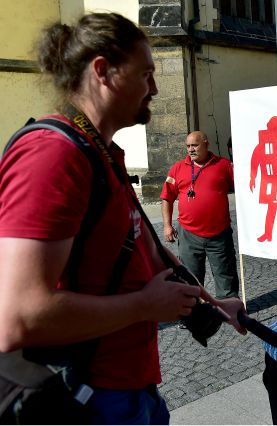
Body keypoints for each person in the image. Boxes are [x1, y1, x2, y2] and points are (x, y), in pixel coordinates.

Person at [0, 13, 246, 424]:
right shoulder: (53, 156)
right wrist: (143, 306)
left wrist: (213, 305)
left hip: (132, 391)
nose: (155, 88)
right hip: (87, 397)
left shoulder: (101, 155)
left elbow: (144, 257)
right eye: (146, 74)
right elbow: (19, 315)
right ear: (103, 71)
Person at [161, 131, 240, 299]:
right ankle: (194, 315)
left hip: (219, 233)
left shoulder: (224, 165)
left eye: (195, 145)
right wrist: (167, 225)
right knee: (190, 277)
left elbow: (244, 188)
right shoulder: (177, 168)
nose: (191, 149)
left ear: (206, 144)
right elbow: (166, 197)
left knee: (226, 275)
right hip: (189, 234)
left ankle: (230, 310)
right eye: (188, 146)